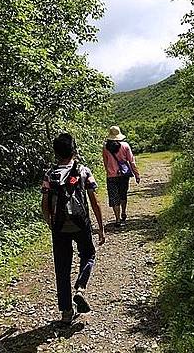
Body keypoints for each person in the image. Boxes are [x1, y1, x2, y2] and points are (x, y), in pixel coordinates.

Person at [41, 133, 105, 325]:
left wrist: (50, 222)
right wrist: (101, 228)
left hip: (59, 225)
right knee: (89, 254)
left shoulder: (49, 174)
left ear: (56, 153)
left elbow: (45, 203)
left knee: (62, 268)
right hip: (80, 222)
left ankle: (66, 313)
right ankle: (80, 288)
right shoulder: (83, 171)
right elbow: (94, 202)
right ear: (74, 150)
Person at [102, 126, 140, 227]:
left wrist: (109, 172)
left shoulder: (105, 147)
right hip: (123, 175)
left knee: (114, 197)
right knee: (123, 194)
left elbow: (105, 163)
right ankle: (123, 212)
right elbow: (131, 161)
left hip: (111, 176)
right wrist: (136, 174)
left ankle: (117, 219)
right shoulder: (125, 146)